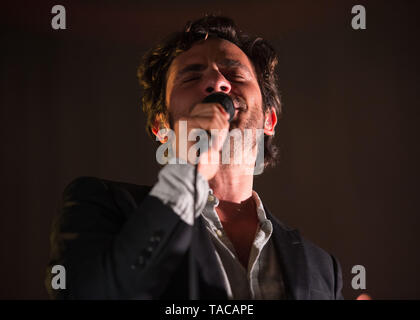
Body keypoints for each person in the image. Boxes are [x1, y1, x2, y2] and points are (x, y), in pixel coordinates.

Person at [46, 15, 343, 300]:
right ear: (162, 127)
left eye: (235, 73)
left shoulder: (322, 267)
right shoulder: (102, 205)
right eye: (191, 76)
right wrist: (187, 169)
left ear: (269, 119)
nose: (217, 81)